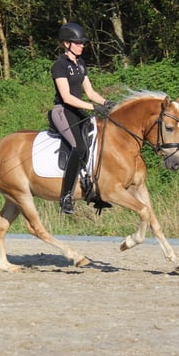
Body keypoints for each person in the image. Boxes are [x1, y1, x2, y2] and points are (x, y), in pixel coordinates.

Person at [49, 22, 112, 214]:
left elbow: (90, 92)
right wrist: (94, 108)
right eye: (78, 43)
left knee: (97, 141)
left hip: (78, 111)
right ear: (66, 44)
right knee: (79, 146)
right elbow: (67, 98)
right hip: (62, 111)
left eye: (82, 43)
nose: (82, 46)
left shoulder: (81, 64)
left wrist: (108, 103)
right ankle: (66, 197)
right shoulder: (59, 66)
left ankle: (92, 188)